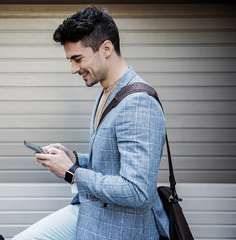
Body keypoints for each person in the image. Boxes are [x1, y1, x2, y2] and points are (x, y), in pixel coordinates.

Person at [12, 6, 169, 240]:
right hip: (92, 213)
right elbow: (111, 162)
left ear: (106, 48)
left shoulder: (138, 103)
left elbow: (138, 192)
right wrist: (74, 158)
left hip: (119, 228)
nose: (73, 69)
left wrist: (72, 172)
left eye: (77, 59)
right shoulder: (107, 92)